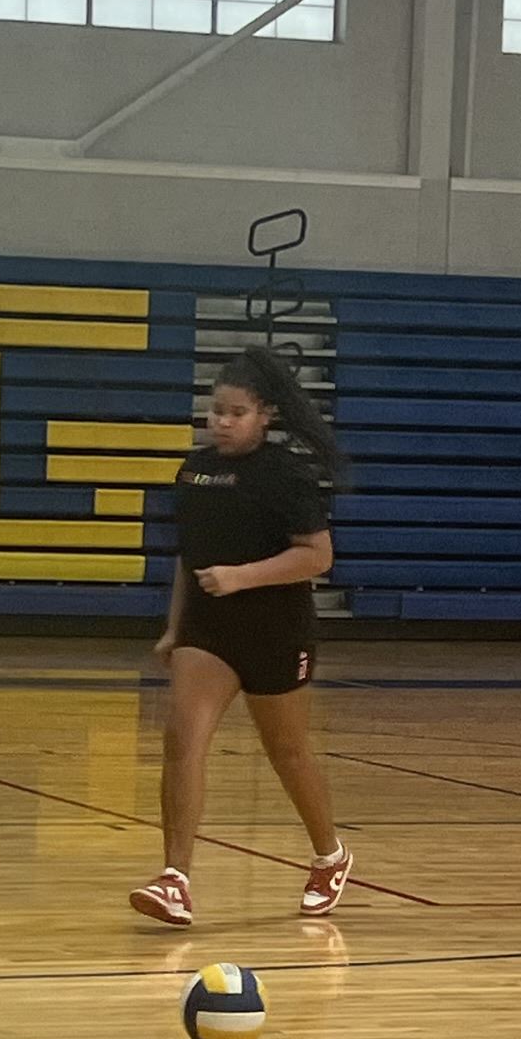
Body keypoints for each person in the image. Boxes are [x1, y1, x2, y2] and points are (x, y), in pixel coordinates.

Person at [129, 345, 351, 928]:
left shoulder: (287, 476)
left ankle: (330, 855)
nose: (222, 422)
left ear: (265, 415)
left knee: (287, 753)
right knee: (182, 741)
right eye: (216, 411)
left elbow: (317, 556)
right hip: (208, 631)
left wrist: (241, 577)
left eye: (236, 413)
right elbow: (188, 556)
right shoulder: (194, 471)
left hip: (276, 631)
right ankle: (175, 877)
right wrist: (175, 627)